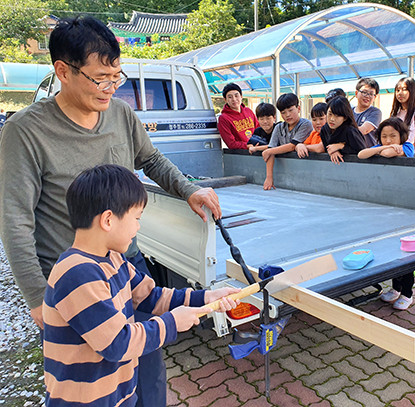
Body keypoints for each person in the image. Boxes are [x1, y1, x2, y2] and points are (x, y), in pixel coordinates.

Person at [0, 16, 221, 407]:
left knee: (145, 372)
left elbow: (151, 160)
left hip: (124, 264)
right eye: (101, 78)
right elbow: (15, 219)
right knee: (89, 383)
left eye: (116, 77)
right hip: (72, 282)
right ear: (63, 71)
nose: (111, 89)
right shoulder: (25, 131)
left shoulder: (120, 114)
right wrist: (37, 298)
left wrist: (189, 190)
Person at [43, 164, 240, 406]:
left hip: (119, 395)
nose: (138, 227)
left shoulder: (113, 258)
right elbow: (117, 343)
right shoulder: (76, 274)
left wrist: (206, 298)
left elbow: (151, 296)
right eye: (136, 218)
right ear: (108, 220)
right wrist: (172, 322)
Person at [261, 93, 312, 190]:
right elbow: (271, 149)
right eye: (283, 112)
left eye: (290, 110)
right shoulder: (279, 127)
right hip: (286, 176)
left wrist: (269, 151)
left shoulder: (306, 124)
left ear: (298, 108)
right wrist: (269, 177)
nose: (287, 115)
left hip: (306, 172)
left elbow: (292, 146)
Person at [319, 96, 366, 165]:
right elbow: (327, 147)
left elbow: (362, 152)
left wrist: (341, 146)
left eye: (337, 116)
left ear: (345, 118)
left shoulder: (350, 131)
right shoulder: (324, 129)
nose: (332, 119)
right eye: (330, 114)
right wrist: (333, 151)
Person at [217, 83, 258, 149]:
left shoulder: (248, 111)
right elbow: (231, 143)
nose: (234, 99)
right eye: (230, 97)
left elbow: (258, 129)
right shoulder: (223, 118)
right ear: (225, 100)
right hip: (240, 154)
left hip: (257, 149)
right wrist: (248, 146)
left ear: (241, 96)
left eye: (236, 96)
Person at [353, 78, 382, 147]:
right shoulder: (348, 111)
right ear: (356, 93)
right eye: (364, 92)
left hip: (369, 153)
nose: (367, 96)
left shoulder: (375, 112)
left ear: (375, 97)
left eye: (371, 94)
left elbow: (363, 131)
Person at [390, 77, 415, 144]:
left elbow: (412, 139)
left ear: (412, 91)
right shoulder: (396, 114)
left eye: (404, 89)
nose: (400, 93)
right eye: (398, 90)